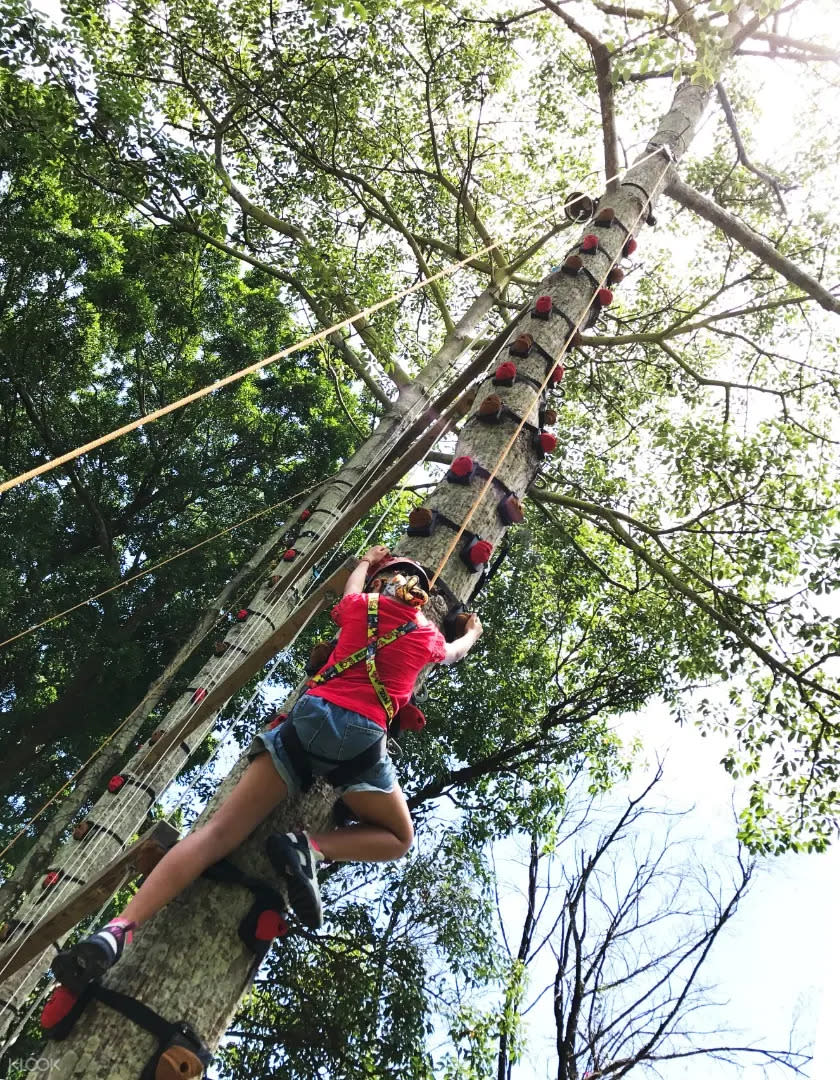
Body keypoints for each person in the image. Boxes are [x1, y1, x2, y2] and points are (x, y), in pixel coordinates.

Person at [51, 546, 482, 992]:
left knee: (216, 836)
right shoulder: (425, 633)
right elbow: (453, 652)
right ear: (418, 596)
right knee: (399, 839)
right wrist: (473, 631)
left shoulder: (360, 606)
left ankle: (118, 930)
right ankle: (309, 848)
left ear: (379, 583)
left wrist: (363, 562)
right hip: (361, 740)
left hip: (310, 717)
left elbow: (352, 589)